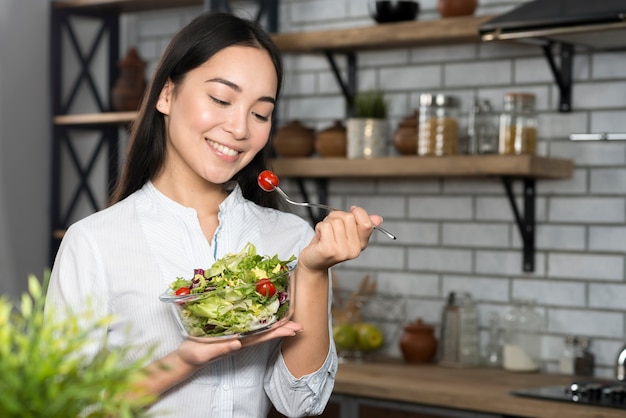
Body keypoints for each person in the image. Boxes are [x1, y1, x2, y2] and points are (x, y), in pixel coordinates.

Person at [45, 11, 384, 418]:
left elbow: (301, 402)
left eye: (260, 114)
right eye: (221, 99)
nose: (240, 128)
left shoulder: (291, 237)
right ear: (166, 95)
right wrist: (184, 360)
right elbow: (62, 406)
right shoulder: (94, 242)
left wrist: (312, 271)